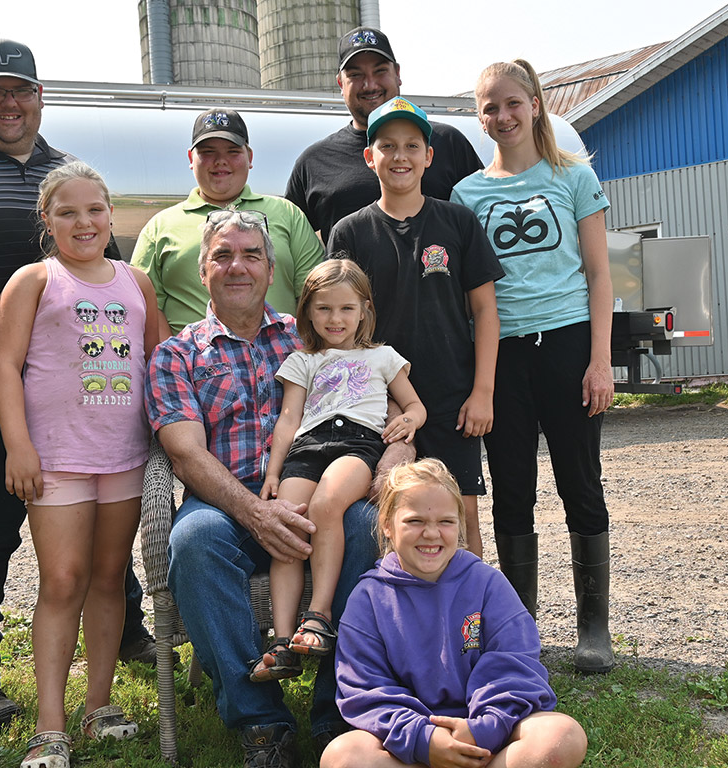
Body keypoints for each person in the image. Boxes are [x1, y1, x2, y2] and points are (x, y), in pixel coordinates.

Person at [0, 39, 156, 734]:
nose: (9, 102)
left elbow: (121, 305)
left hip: (90, 403)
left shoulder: (66, 172)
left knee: (104, 562)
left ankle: (114, 665)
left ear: (39, 96)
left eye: (21, 90)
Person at [146, 212, 379, 767]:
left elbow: (370, 397)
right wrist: (255, 511)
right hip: (225, 500)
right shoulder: (176, 354)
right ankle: (261, 722)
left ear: (270, 268)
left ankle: (337, 715)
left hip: (316, 491)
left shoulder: (311, 337)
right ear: (203, 270)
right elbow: (184, 452)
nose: (237, 267)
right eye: (223, 255)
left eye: (251, 255)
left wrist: (396, 446)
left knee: (365, 526)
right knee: (195, 541)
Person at [0, 162, 171, 767]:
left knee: (107, 578)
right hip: (58, 459)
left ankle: (98, 706)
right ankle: (51, 725)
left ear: (110, 214)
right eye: (67, 212)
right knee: (62, 581)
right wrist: (19, 446)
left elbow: (162, 362)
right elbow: (4, 367)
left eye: (94, 209)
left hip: (122, 456)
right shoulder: (34, 280)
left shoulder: (135, 282)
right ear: (47, 220)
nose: (83, 222)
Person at [450, 60, 616, 673]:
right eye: (490, 107)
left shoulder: (574, 177)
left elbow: (600, 276)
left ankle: (593, 629)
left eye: (513, 103)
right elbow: (472, 294)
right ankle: (522, 628)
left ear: (537, 105)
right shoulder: (468, 194)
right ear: (480, 116)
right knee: (512, 490)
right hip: (503, 350)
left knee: (580, 481)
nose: (502, 117)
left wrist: (600, 361)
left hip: (569, 344)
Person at [322, 459, 587, 768]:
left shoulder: (487, 583)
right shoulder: (367, 599)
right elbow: (366, 689)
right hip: (410, 747)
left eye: (445, 522)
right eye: (415, 521)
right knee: (342, 757)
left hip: (488, 740)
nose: (431, 534)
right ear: (386, 525)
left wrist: (482, 729)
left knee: (562, 735)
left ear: (460, 525)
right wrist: (425, 739)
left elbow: (514, 663)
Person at [327, 97, 503, 557]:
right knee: (388, 519)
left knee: (459, 517)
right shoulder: (350, 232)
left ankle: (466, 626)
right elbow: (341, 327)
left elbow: (485, 310)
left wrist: (482, 392)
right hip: (379, 404)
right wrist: (384, 402)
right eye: (387, 146)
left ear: (429, 156)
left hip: (451, 399)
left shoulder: (458, 222)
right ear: (370, 157)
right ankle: (399, 623)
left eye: (411, 146)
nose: (399, 156)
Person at [252, 260, 425, 683]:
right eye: (324, 309)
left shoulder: (383, 357)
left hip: (358, 445)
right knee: (288, 524)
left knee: (326, 504)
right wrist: (274, 472)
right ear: (308, 311)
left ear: (364, 309)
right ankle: (282, 640)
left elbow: (416, 405)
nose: (336, 319)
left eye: (346, 309)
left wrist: (409, 422)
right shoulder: (302, 360)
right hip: (307, 447)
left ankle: (320, 615)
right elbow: (289, 419)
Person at [285, 26, 482, 246]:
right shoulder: (313, 162)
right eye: (356, 75)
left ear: (397, 74)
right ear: (340, 83)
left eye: (380, 71)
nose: (370, 85)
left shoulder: (448, 142)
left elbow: (486, 217)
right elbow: (288, 246)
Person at [132, 108, 323, 333]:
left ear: (249, 157)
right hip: (193, 365)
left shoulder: (288, 214)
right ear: (191, 159)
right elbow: (144, 304)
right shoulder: (159, 227)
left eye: (233, 151)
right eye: (208, 152)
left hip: (283, 362)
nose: (220, 161)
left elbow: (315, 294)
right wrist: (172, 358)